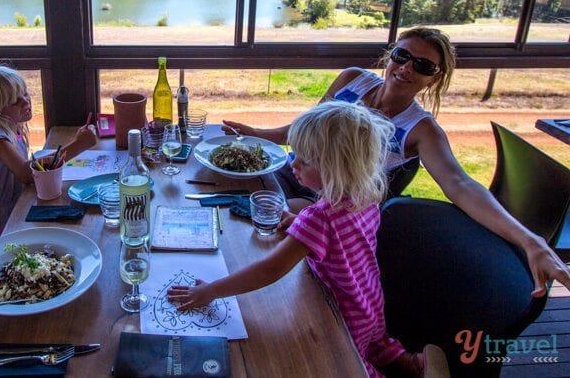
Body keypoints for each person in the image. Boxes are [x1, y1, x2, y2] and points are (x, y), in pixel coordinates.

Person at [222, 26, 570, 296]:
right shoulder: (352, 80)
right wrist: (259, 133)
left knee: (254, 224)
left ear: (435, 77)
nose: (406, 68)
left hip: (323, 200)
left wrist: (530, 241)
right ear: (390, 55)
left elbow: (460, 185)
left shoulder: (420, 130)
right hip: (290, 170)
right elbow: (306, 130)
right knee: (225, 190)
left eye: (423, 65)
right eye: (402, 56)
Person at [169, 102, 448, 378]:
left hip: (344, 309)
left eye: (305, 159)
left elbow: (270, 270)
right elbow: (342, 242)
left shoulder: (320, 217)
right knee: (377, 342)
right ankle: (413, 364)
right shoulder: (365, 197)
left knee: (353, 361)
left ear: (334, 166)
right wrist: (299, 224)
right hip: (370, 298)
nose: (294, 164)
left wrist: (211, 291)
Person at [0, 64, 96, 235]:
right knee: (86, 224)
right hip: (10, 223)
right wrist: (78, 145)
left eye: (25, 93)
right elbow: (26, 173)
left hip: (23, 205)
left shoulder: (12, 128)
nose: (25, 101)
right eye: (14, 101)